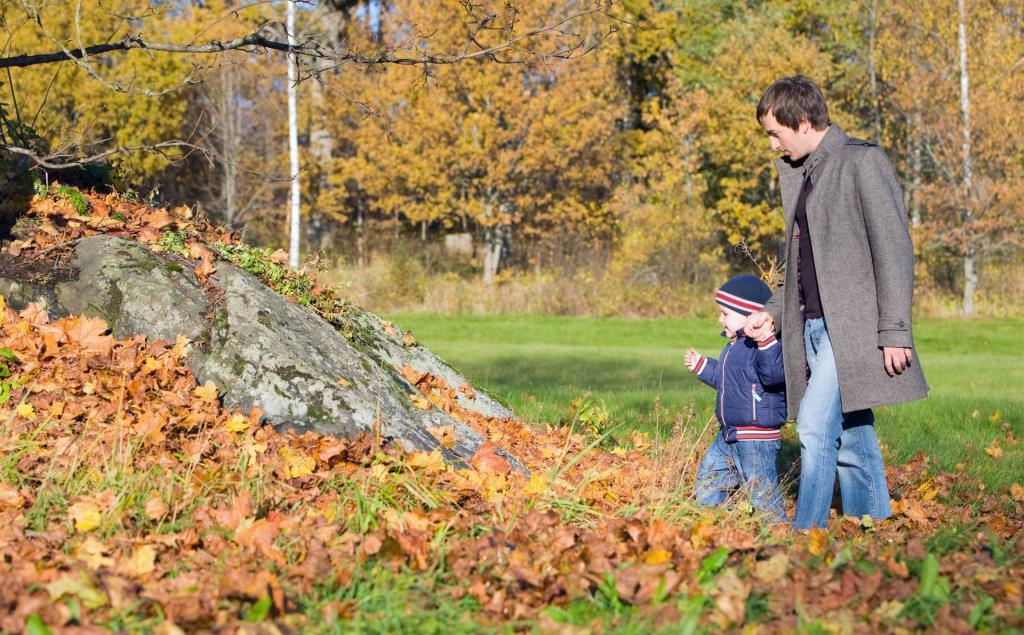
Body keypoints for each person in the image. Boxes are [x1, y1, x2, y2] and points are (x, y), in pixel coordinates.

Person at [745, 75, 929, 529]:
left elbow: (894, 250)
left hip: (853, 330)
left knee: (811, 427)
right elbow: (804, 269)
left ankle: (806, 534)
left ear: (803, 121)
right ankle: (874, 525)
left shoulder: (862, 163)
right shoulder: (801, 173)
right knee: (851, 433)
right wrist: (771, 314)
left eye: (775, 133)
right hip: (810, 327)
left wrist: (894, 331)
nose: (772, 145)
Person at [686, 274, 787, 522]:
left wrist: (765, 341)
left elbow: (775, 375)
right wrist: (703, 366)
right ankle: (712, 524)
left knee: (762, 496)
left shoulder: (764, 344)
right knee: (709, 480)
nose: (720, 319)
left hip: (755, 436)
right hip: (728, 433)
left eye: (725, 313)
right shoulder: (733, 346)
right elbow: (727, 382)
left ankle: (778, 535)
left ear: (750, 315)